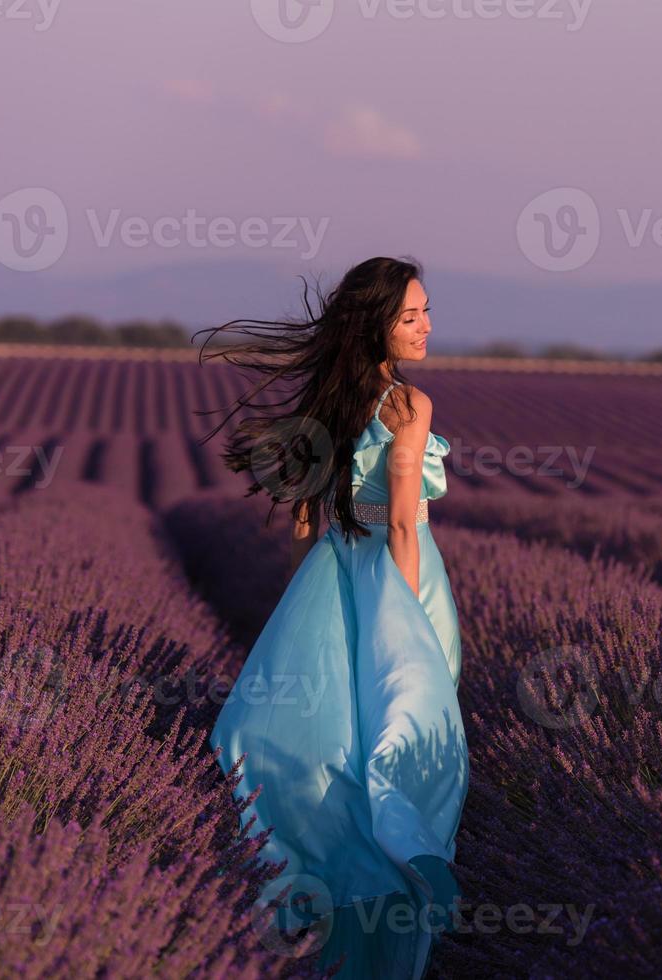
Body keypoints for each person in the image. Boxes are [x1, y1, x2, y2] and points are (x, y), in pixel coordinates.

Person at [198, 257, 467, 978]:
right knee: (401, 746)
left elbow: (303, 522)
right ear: (375, 323)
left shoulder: (328, 403)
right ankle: (393, 930)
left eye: (425, 312)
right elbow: (404, 526)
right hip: (393, 583)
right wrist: (402, 624)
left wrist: (293, 612)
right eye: (411, 316)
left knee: (324, 752)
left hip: (328, 578)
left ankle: (315, 929)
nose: (426, 327)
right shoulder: (410, 407)